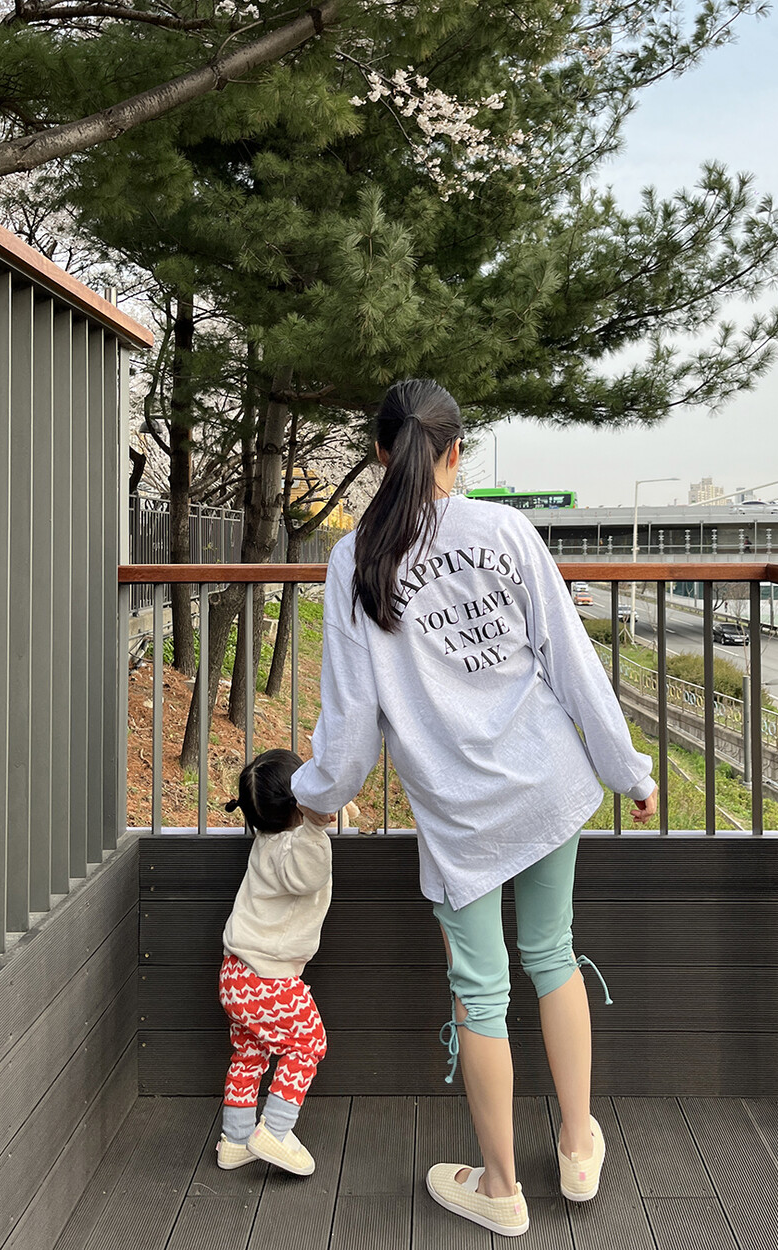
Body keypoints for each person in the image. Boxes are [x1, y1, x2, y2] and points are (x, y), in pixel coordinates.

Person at [290, 379, 657, 1237]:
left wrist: (317, 799)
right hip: (550, 782)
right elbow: (573, 666)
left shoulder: (355, 561)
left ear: (380, 453)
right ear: (456, 451)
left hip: (461, 812)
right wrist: (630, 773)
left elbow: (349, 728)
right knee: (554, 955)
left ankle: (500, 1188)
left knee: (481, 993)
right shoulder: (505, 529)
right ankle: (577, 1148)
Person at [215, 748, 334, 1175]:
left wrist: (316, 818)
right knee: (308, 1043)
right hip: (268, 980)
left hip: (235, 974)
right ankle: (276, 1132)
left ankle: (235, 1140)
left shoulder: (266, 842)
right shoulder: (296, 851)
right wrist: (316, 826)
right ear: (299, 803)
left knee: (249, 1054)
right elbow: (310, 871)